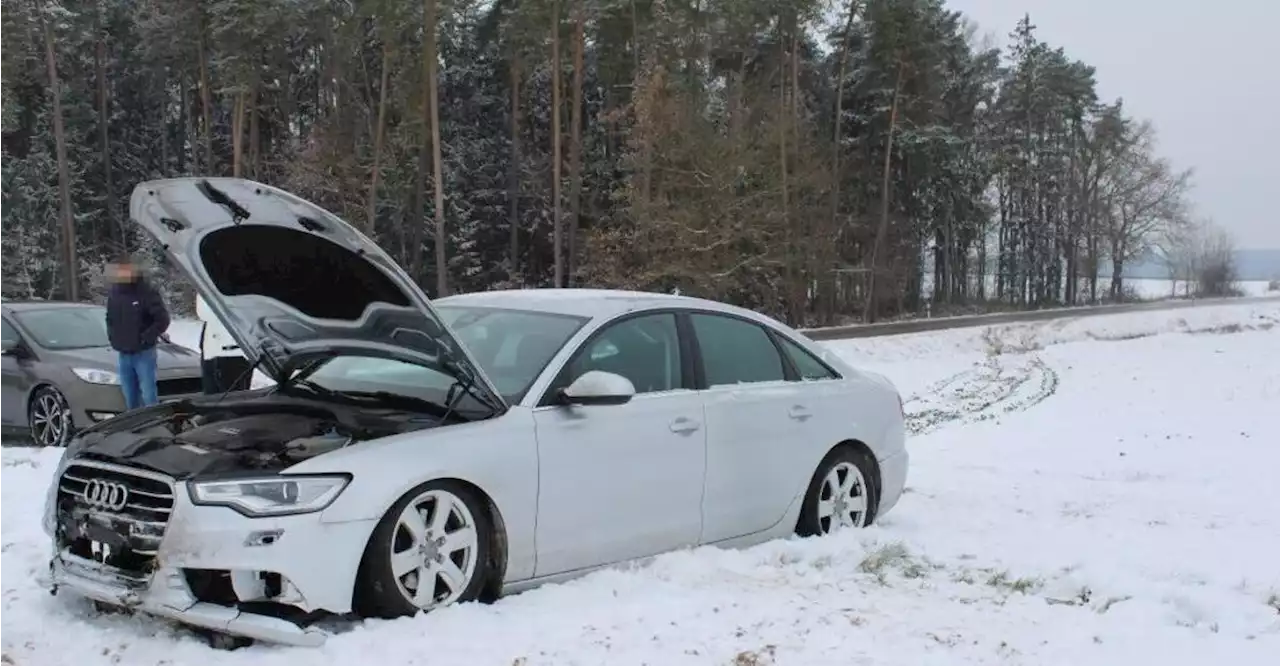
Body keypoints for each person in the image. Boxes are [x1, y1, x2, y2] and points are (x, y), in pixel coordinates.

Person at [105, 255, 171, 410]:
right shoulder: (115, 294)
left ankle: (153, 423)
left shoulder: (146, 292)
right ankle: (135, 428)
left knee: (149, 395)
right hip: (123, 353)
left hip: (144, 353)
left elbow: (162, 319)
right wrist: (113, 337)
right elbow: (110, 318)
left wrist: (146, 337)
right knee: (129, 396)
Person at [196, 294, 252, 393]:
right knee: (215, 397)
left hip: (231, 350)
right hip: (214, 349)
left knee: (231, 399)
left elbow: (204, 311)